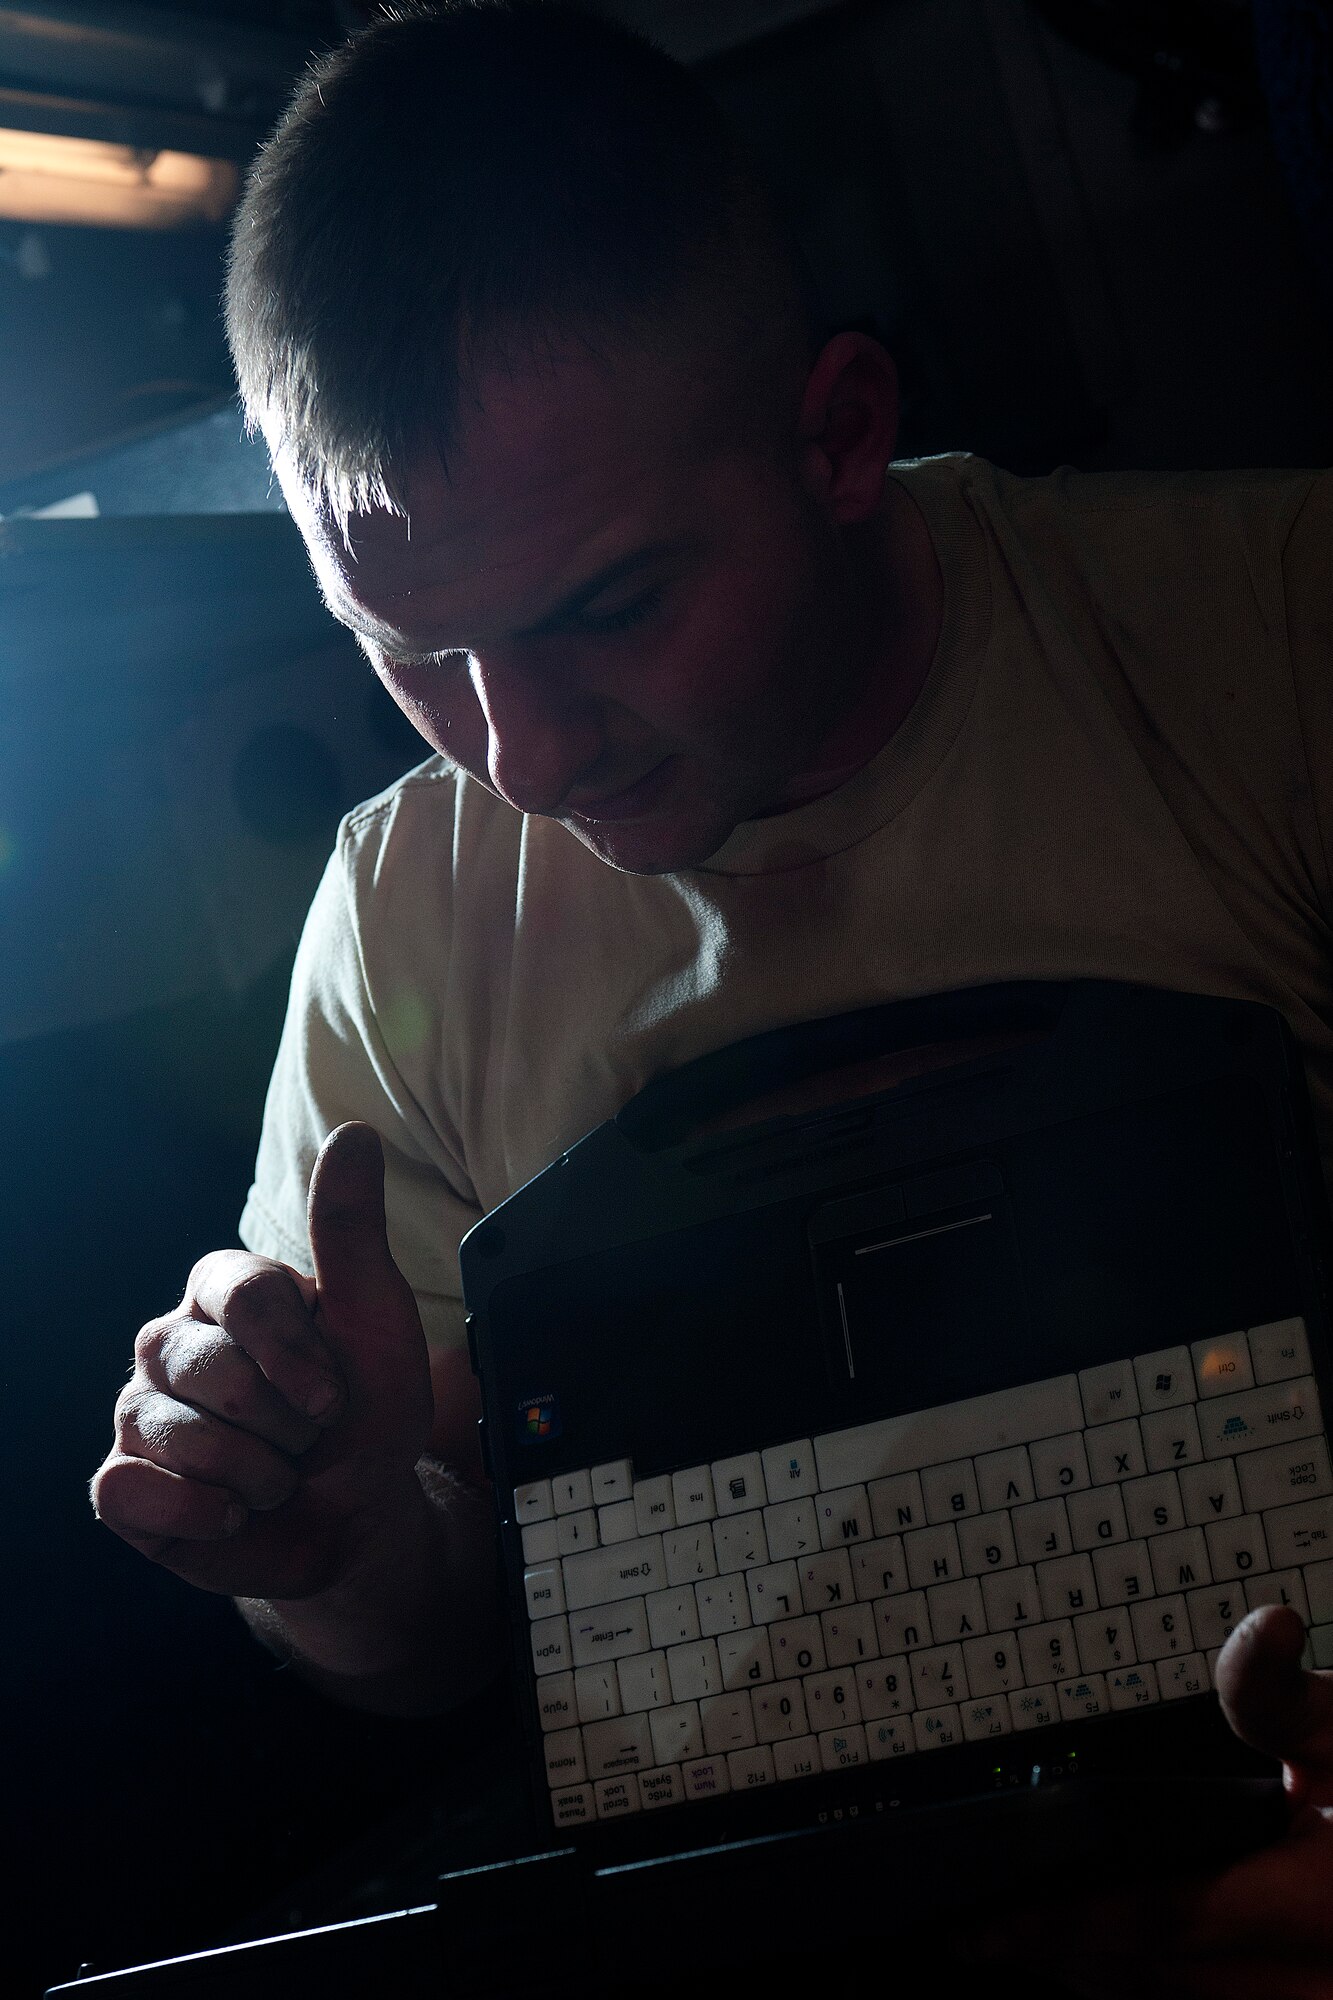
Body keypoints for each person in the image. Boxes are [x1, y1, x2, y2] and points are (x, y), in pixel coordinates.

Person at [90, 2, 1333, 1989]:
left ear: (838, 437)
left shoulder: (1265, 637)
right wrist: (325, 1545)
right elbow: (440, 1644)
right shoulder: (400, 912)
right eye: (414, 652)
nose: (523, 756)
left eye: (608, 609)